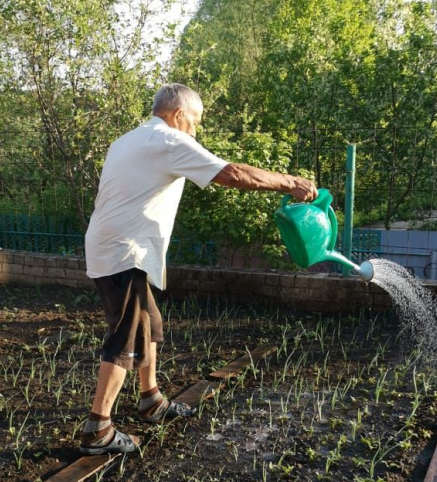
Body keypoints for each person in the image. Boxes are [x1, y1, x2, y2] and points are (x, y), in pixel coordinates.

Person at [81, 83, 317, 454]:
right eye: (196, 121)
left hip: (114, 246)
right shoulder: (169, 140)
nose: (196, 130)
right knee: (124, 339)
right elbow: (234, 174)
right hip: (123, 252)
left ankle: (151, 399)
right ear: (178, 115)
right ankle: (98, 430)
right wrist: (291, 183)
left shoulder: (127, 140)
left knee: (150, 326)